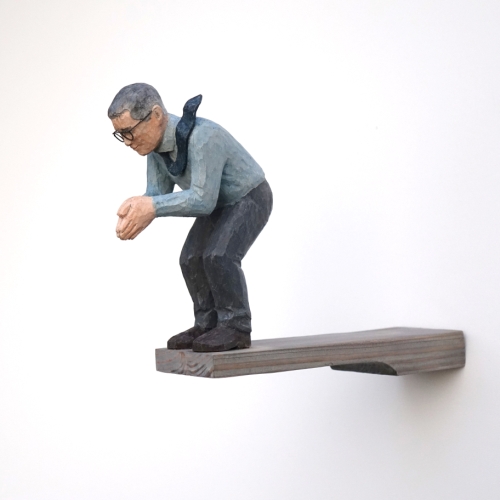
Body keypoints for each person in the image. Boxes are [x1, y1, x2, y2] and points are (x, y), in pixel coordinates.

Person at [108, 83, 272, 352]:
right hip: (218, 203)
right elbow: (157, 194)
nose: (127, 142)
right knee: (191, 258)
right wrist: (138, 208)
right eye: (120, 134)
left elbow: (202, 200)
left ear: (156, 115)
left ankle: (236, 326)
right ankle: (207, 323)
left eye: (129, 131)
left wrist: (151, 207)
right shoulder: (155, 150)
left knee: (219, 256)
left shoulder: (203, 137)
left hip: (249, 197)